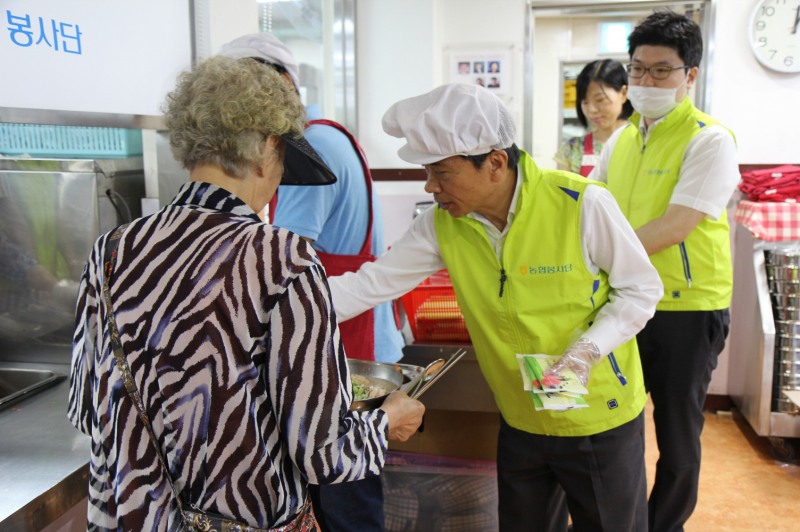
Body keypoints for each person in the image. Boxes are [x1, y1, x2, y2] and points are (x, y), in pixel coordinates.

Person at [67, 55, 425, 531]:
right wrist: (387, 422)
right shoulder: (284, 259)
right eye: (283, 163)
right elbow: (323, 452)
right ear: (267, 148)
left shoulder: (111, 251)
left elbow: (86, 407)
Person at [328, 82, 664, 531]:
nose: (431, 187)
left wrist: (587, 350)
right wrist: (278, 306)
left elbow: (640, 289)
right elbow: (371, 284)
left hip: (597, 417)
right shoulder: (442, 225)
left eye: (442, 173)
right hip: (521, 416)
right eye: (427, 171)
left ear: (495, 163)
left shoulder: (581, 204)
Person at [219, 32, 406, 532]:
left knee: (342, 498)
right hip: (353, 332)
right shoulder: (330, 135)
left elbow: (279, 265)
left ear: (282, 84)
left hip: (339, 342)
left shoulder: (308, 146)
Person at [589, 10, 739, 531]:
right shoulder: (621, 139)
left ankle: (664, 525)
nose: (646, 81)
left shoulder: (710, 139)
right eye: (637, 69)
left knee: (677, 435)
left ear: (690, 75)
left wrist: (599, 257)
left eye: (661, 70)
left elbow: (676, 225)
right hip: (629, 301)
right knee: (618, 421)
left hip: (687, 308)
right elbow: (590, 205)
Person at [555, 59, 632, 176]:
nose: (592, 110)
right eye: (585, 102)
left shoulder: (641, 143)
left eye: (600, 99)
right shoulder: (572, 149)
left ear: (623, 93)